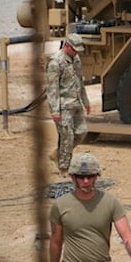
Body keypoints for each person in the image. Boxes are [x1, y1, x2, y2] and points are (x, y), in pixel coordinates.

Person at [46, 32, 91, 176]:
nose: (76, 51)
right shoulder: (56, 62)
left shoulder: (76, 59)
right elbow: (52, 89)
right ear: (67, 46)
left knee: (81, 132)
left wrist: (86, 102)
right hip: (63, 105)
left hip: (76, 102)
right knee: (67, 136)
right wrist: (55, 111)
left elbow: (80, 82)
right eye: (74, 48)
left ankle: (57, 153)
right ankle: (64, 167)